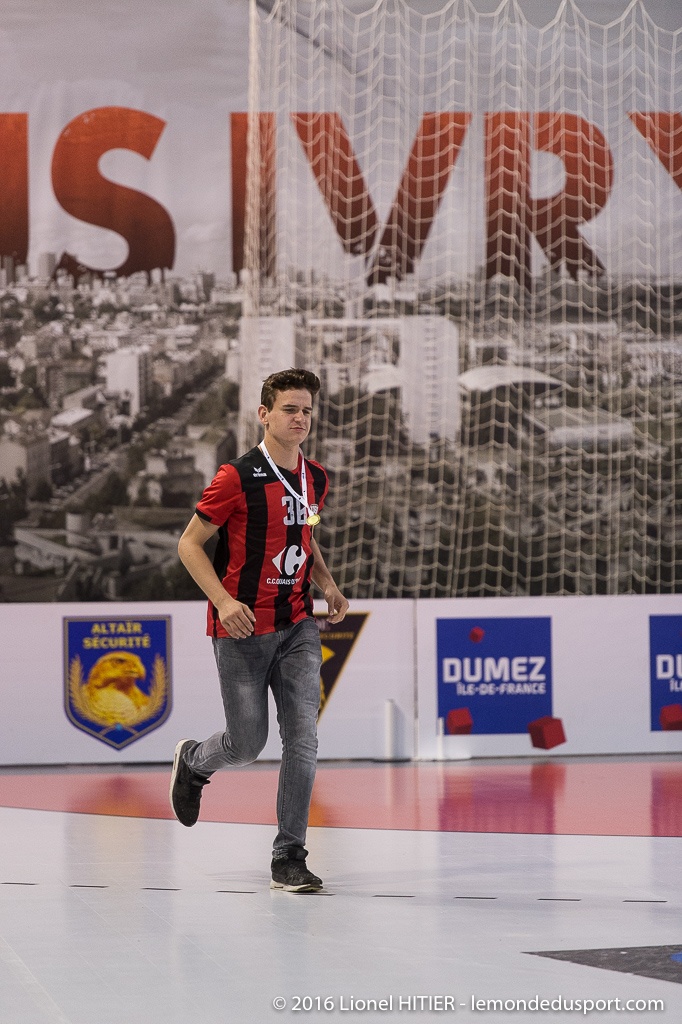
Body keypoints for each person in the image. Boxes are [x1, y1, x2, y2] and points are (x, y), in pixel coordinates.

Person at [170, 368, 349, 892]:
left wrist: (327, 584)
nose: (301, 418)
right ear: (264, 414)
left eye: (307, 410)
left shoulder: (315, 478)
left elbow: (305, 535)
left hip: (298, 624)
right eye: (290, 409)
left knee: (303, 739)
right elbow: (188, 544)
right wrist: (224, 602)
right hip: (243, 628)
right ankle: (194, 762)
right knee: (247, 744)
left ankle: (288, 855)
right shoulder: (237, 476)